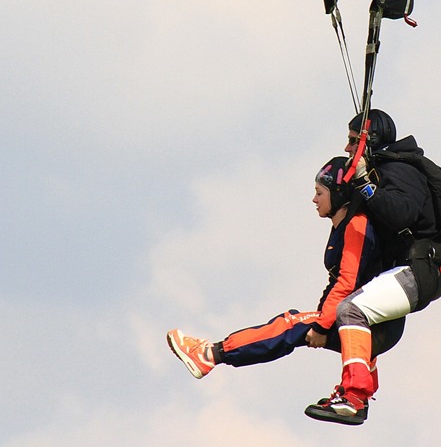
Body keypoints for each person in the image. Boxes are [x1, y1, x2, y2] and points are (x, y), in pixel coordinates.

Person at [166, 156, 405, 423]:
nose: (313, 199)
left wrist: (321, 326)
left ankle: (209, 354)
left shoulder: (356, 224)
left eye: (319, 193)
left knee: (291, 324)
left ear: (338, 194)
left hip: (375, 325)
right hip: (368, 323)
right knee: (297, 325)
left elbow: (348, 282)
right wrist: (321, 318)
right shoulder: (342, 225)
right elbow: (339, 283)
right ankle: (356, 398)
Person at [304, 110, 441, 425]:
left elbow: (403, 214)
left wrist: (365, 185)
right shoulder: (380, 171)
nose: (347, 148)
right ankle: (357, 396)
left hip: (423, 267)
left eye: (352, 141)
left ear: (368, 141)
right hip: (409, 270)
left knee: (350, 310)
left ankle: (354, 396)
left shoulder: (400, 168)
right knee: (358, 315)